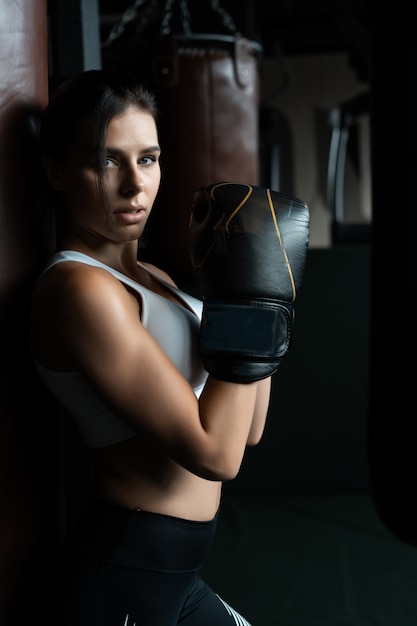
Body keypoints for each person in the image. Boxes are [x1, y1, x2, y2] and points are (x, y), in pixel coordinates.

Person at [30, 68, 272, 626]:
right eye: (106, 160)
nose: (135, 185)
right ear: (56, 171)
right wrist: (246, 309)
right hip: (125, 578)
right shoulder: (79, 289)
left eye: (148, 158)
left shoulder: (158, 278)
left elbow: (249, 428)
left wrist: (254, 297)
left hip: (178, 577)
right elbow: (216, 454)